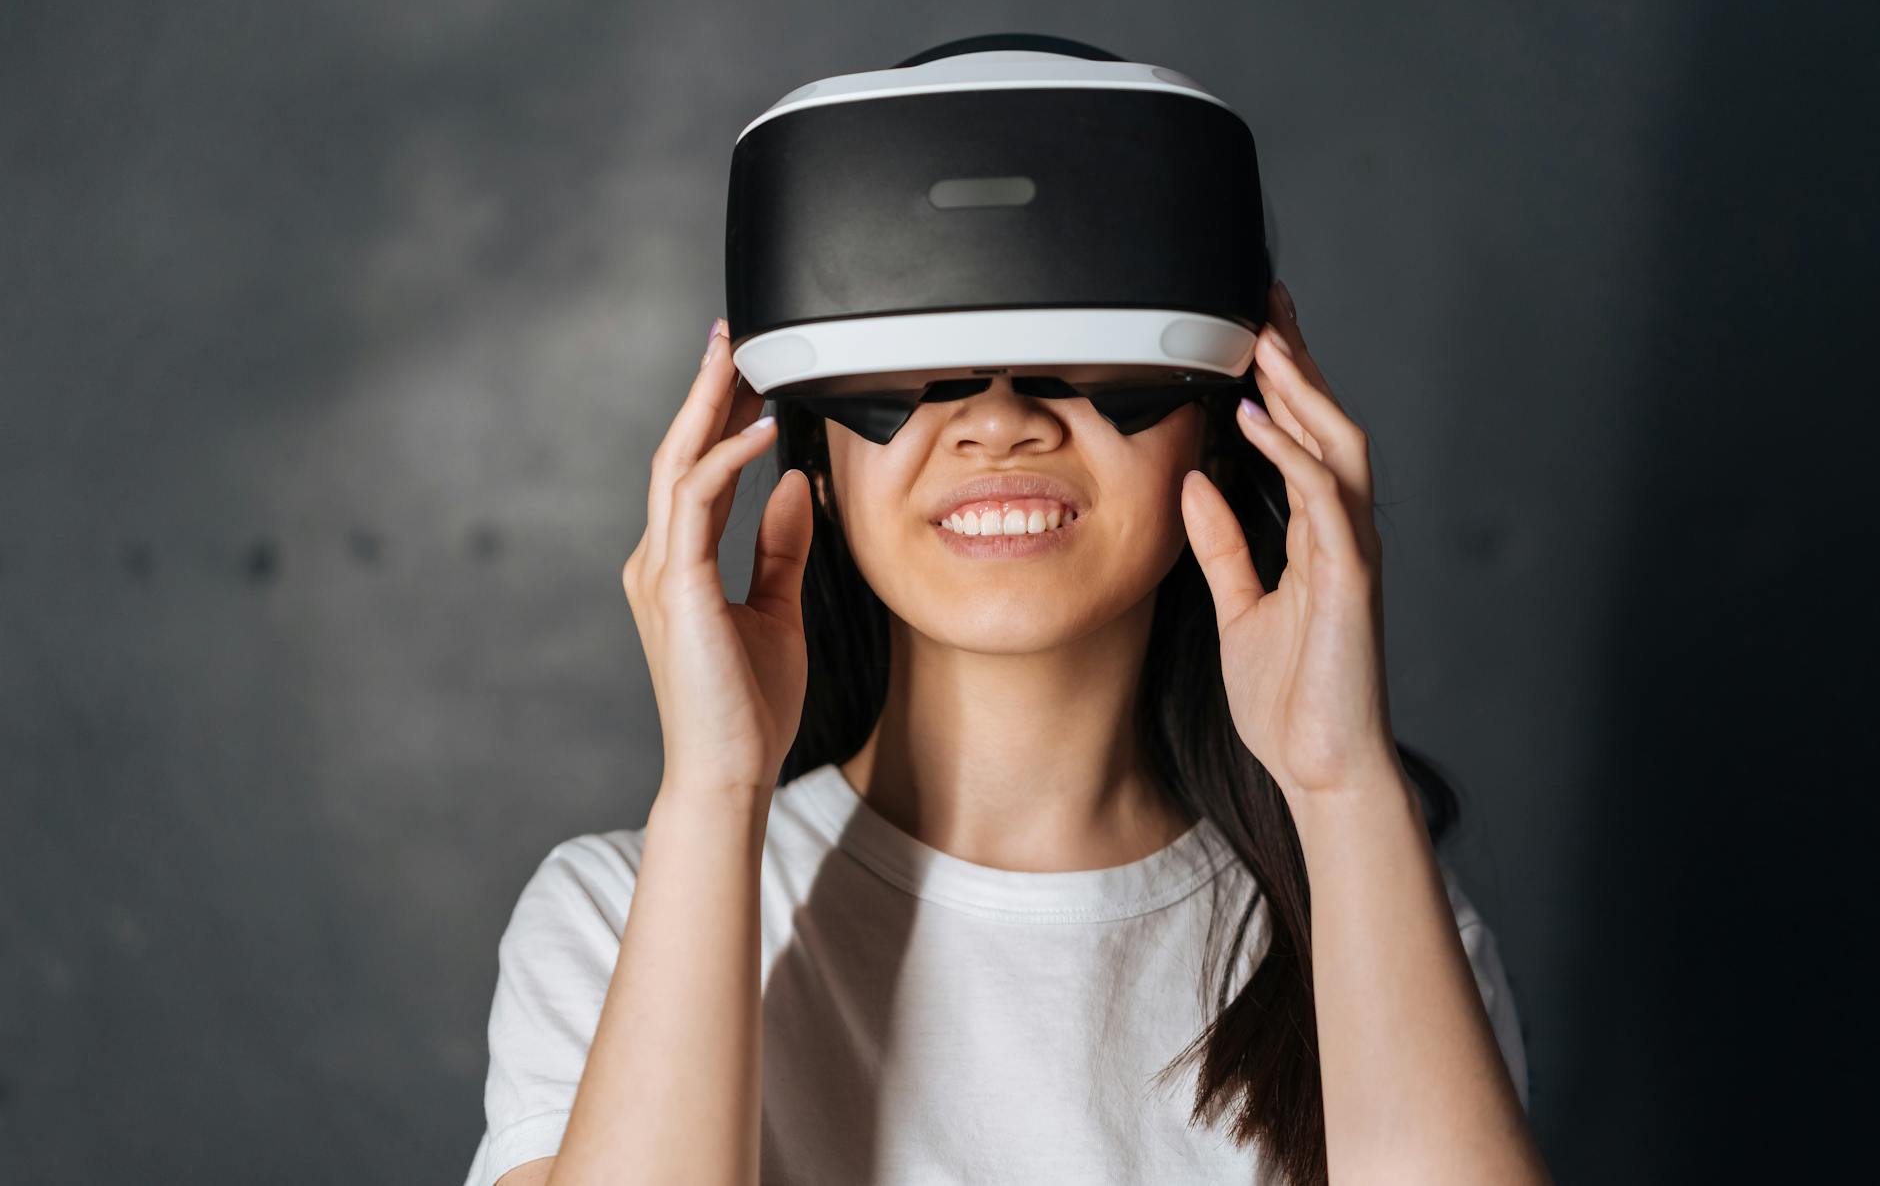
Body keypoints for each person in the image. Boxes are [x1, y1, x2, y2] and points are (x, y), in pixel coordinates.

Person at [462, 279, 1552, 1185]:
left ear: (1215, 434)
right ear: (821, 467)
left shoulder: (1375, 927)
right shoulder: (611, 918)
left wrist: (1339, 779)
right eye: (908, 360)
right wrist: (712, 787)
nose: (997, 418)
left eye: (1088, 342)